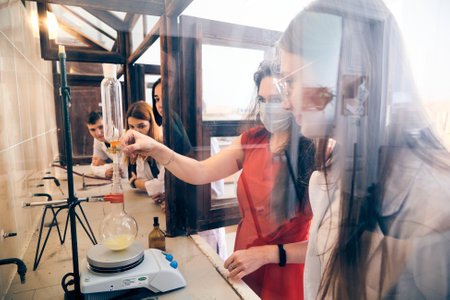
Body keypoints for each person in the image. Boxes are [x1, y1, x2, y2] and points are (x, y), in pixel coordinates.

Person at [277, 0, 450, 299]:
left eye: (291, 81)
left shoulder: (435, 200)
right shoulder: (326, 179)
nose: (285, 102)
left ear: (340, 71)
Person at [120, 62, 316, 299]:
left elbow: (324, 246)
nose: (268, 107)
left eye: (275, 98)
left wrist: (265, 254)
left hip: (286, 271)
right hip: (244, 261)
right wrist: (155, 148)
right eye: (262, 100)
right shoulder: (253, 139)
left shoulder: (313, 151)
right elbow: (200, 171)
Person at [152, 78, 228, 261]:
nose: (160, 105)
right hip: (182, 225)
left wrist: (182, 200)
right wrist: (170, 197)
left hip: (203, 227)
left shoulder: (204, 139)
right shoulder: (172, 137)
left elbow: (215, 191)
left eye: (165, 97)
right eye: (156, 99)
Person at [126, 101, 165, 203]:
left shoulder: (162, 144)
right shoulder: (136, 146)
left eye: (141, 126)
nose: (135, 132)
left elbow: (162, 186)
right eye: (131, 127)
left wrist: (135, 182)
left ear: (152, 124)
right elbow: (143, 178)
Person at [85, 111, 114, 179]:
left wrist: (104, 164)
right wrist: (104, 173)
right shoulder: (98, 139)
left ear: (111, 124)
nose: (97, 133)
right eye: (92, 130)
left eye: (101, 127)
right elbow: (94, 165)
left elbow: (123, 170)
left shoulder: (122, 137)